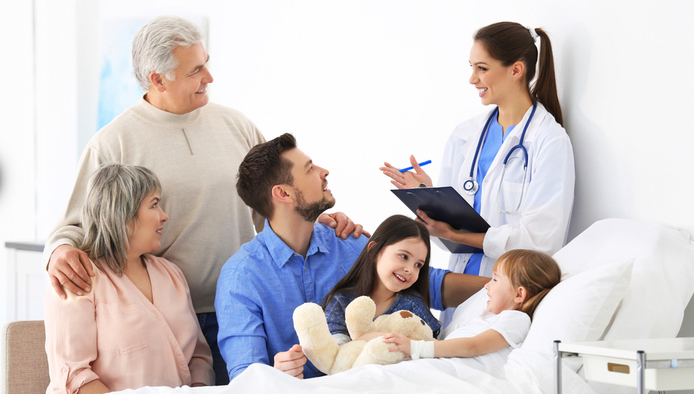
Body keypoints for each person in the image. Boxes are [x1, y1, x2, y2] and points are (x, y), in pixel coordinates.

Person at [42, 15, 363, 385]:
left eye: (206, 63)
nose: (209, 77)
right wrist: (59, 252)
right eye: (196, 70)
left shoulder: (236, 125)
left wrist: (316, 220)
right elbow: (75, 226)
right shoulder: (113, 142)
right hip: (170, 322)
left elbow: (276, 198)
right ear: (158, 79)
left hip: (245, 310)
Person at [216, 134, 485, 380]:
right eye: (310, 168)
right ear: (283, 193)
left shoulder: (346, 241)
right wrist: (275, 373)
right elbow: (244, 377)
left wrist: (512, 285)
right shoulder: (240, 277)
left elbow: (428, 283)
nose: (324, 172)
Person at [380, 22, 574, 324]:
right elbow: (448, 236)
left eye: (482, 68)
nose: (473, 79)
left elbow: (540, 243)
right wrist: (431, 196)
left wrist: (460, 234)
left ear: (516, 70)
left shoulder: (549, 141)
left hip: (508, 295)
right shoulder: (465, 135)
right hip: (458, 292)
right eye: (472, 67)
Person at [44, 164, 214, 393]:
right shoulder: (79, 280)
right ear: (123, 214)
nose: (165, 216)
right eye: (154, 204)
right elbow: (74, 376)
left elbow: (199, 358)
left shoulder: (172, 275)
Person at [383, 249, 560, 374]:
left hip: (457, 373)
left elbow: (472, 346)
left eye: (495, 280)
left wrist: (416, 348)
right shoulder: (489, 317)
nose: (487, 285)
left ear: (519, 294)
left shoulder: (516, 319)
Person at [323, 215, 441, 345]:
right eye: (404, 256)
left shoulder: (413, 306)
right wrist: (373, 339)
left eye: (418, 265)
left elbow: (431, 347)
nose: (410, 270)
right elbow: (336, 353)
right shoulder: (341, 301)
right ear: (374, 251)